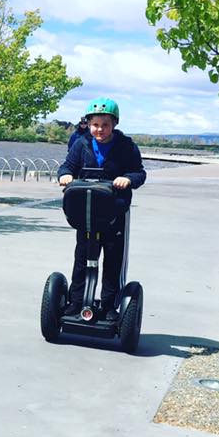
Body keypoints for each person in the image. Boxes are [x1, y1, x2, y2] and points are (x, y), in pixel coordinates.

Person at [57, 97, 145, 320]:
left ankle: (108, 307)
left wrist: (127, 179)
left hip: (114, 212)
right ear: (88, 124)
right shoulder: (81, 143)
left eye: (105, 124)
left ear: (114, 123)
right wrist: (65, 175)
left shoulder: (126, 146)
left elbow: (139, 172)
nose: (100, 129)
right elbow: (68, 166)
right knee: (81, 257)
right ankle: (76, 303)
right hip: (87, 211)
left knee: (113, 259)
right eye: (95, 124)